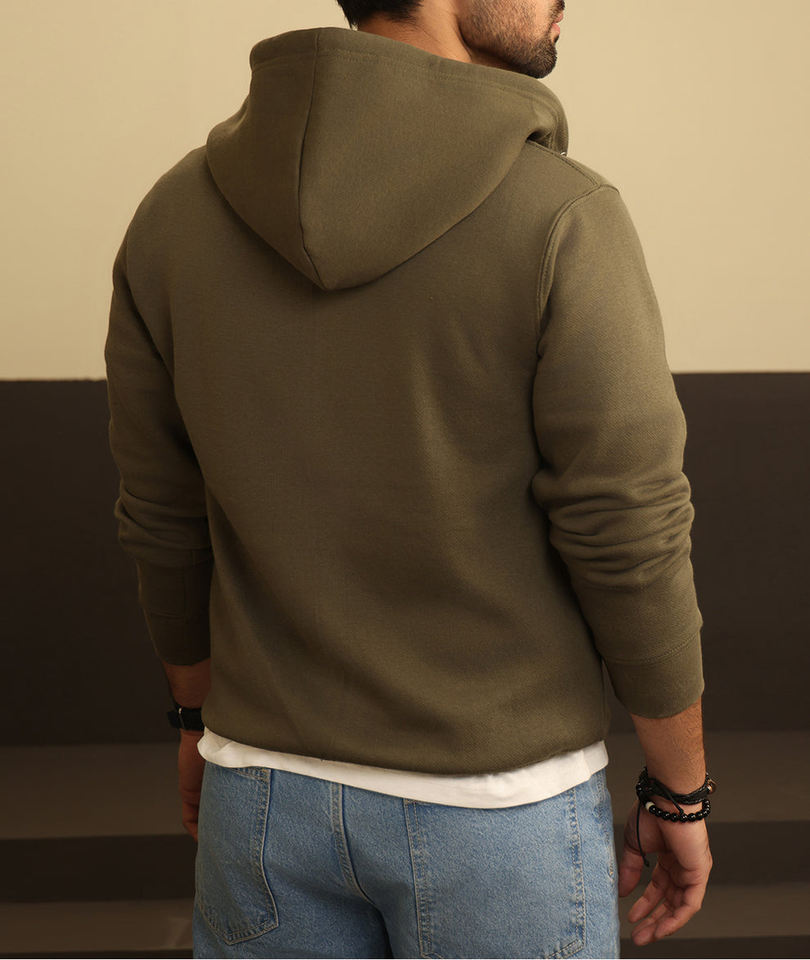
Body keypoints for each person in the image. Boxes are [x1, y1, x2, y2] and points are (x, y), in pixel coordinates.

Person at [104, 0, 714, 956]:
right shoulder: (561, 215)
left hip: (258, 795)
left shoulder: (172, 216)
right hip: (497, 810)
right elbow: (628, 531)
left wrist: (196, 718)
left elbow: (163, 516)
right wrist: (679, 790)